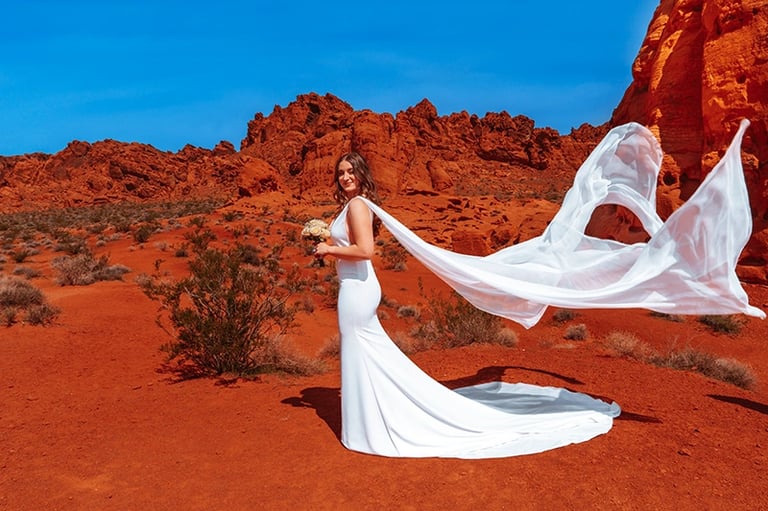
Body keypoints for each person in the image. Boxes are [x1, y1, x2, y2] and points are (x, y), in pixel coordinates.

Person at [313, 152, 622, 459]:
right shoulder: (349, 206)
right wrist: (329, 243)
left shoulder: (357, 205)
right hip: (352, 286)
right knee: (365, 353)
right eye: (341, 172)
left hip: (357, 289)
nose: (345, 177)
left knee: (362, 351)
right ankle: (371, 419)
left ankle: (373, 423)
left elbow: (366, 250)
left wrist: (329, 249)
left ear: (362, 173)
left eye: (351, 171)